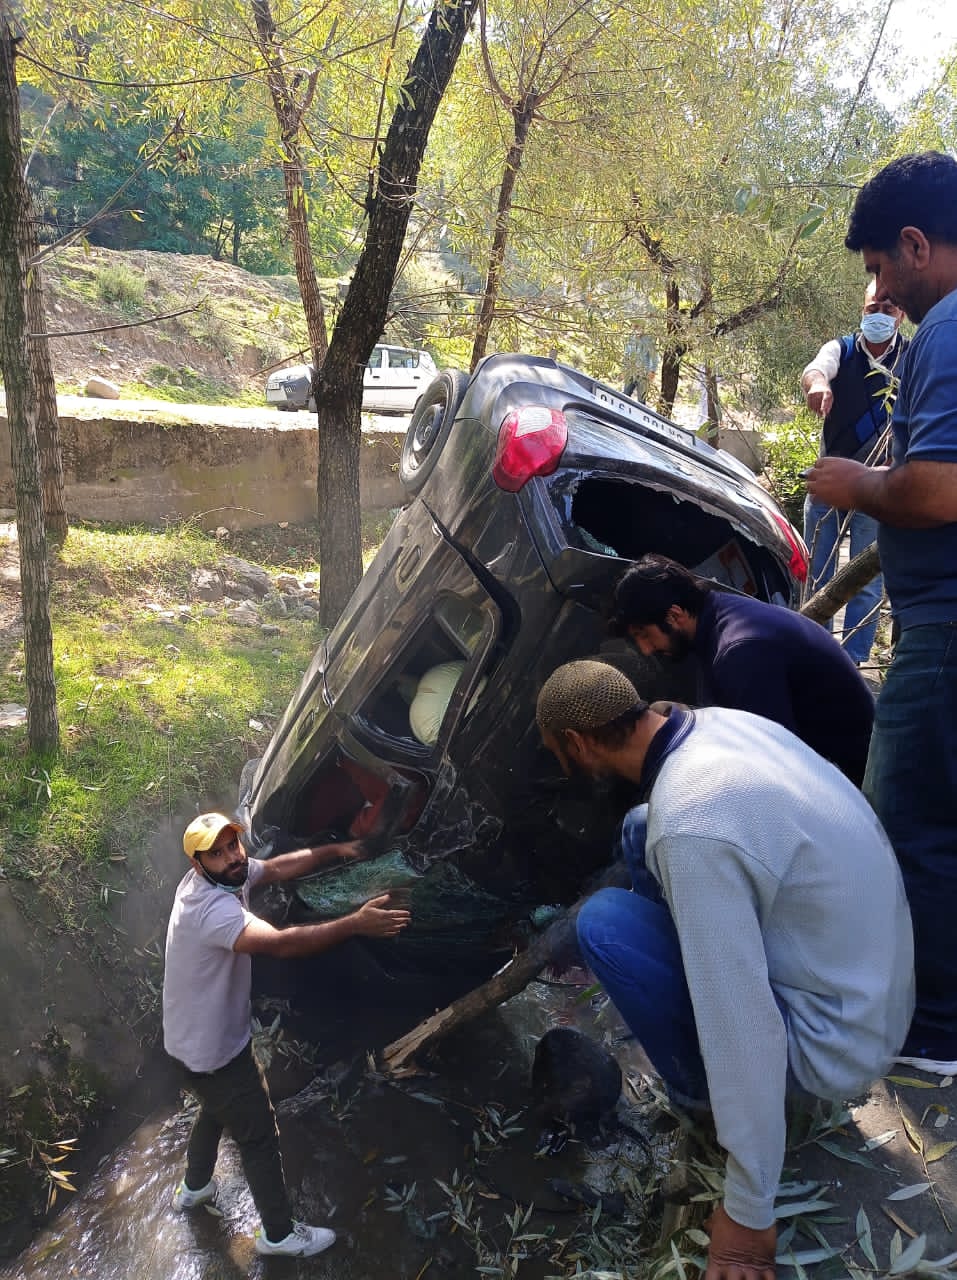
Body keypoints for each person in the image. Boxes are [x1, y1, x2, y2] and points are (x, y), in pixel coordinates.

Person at [536, 660, 913, 1280]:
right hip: (874, 988)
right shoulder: (718, 726)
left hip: (829, 1051)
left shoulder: (691, 824)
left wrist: (747, 1210)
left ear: (578, 743)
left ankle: (700, 1097)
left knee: (603, 922)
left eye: (561, 754)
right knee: (640, 826)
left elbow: (744, 1029)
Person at [806, 150, 957, 1074]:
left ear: (913, 244)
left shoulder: (944, 329)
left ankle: (934, 1029)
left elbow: (938, 491)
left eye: (875, 268)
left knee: (908, 820)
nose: (878, 290)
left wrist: (854, 482)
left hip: (944, 630)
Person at [163, 812, 411, 1258]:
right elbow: (280, 943)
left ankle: (194, 1187)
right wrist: (355, 923)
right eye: (216, 854)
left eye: (232, 846)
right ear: (198, 864)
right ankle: (278, 1235)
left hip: (185, 1048)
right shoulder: (212, 912)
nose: (232, 858)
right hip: (215, 1053)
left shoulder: (218, 878)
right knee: (258, 1135)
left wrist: (337, 850)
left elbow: (275, 868)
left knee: (215, 1109)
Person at [609, 553, 875, 785]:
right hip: (814, 759)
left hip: (845, 782)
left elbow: (773, 766)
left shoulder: (739, 651)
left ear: (675, 615)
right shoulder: (717, 611)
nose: (645, 649)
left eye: (644, 634)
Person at [801, 282, 907, 665]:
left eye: (889, 308)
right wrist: (818, 386)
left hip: (878, 487)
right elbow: (816, 369)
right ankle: (817, 654)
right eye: (872, 307)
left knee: (865, 580)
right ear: (862, 310)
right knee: (819, 574)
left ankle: (853, 662)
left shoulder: (912, 358)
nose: (880, 314)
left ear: (902, 315)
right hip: (829, 481)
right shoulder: (841, 349)